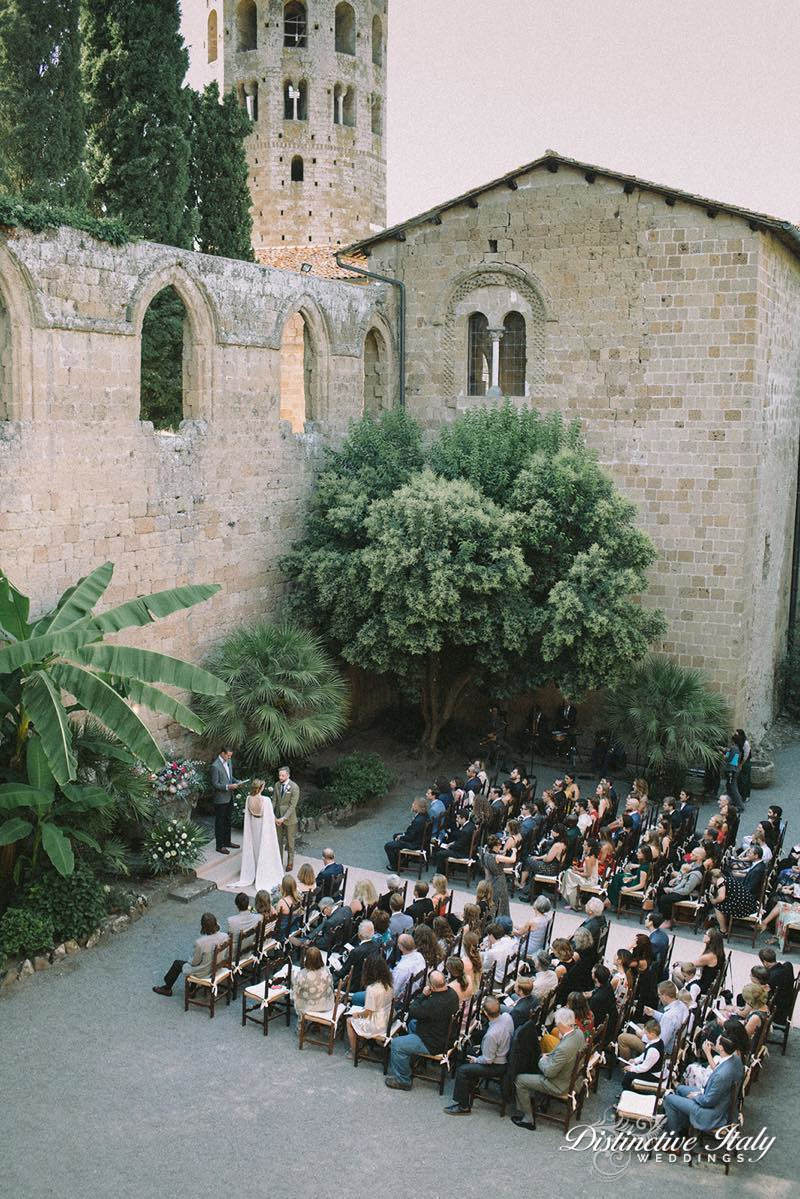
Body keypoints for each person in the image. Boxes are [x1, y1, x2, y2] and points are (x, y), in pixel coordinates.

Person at [511, 1006, 586, 1128]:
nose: (556, 1025)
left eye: (557, 1023)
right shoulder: (578, 1033)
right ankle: (532, 1098)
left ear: (562, 1024)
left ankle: (528, 1119)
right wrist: (550, 1056)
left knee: (520, 1080)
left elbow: (549, 1073)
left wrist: (541, 1059)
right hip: (573, 1077)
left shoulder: (564, 1048)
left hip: (559, 1085)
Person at [386, 970, 460, 1090]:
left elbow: (413, 1010)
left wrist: (423, 995)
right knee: (412, 1024)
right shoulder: (452, 994)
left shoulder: (433, 1003)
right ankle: (413, 1058)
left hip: (433, 1042)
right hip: (446, 1033)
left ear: (431, 986)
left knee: (396, 1044)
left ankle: (403, 1080)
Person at [662, 1031, 745, 1136]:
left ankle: (672, 1139)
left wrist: (696, 1096)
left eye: (717, 1042)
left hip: (711, 1113)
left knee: (669, 1099)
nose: (715, 1043)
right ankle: (682, 1127)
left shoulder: (722, 1075)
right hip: (721, 1102)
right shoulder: (736, 1059)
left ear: (721, 1048)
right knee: (680, 1089)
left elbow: (708, 1101)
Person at [444, 995, 514, 1113]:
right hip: (504, 1052)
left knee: (463, 1070)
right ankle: (471, 1086)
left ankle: (463, 1105)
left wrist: (475, 1060)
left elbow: (488, 1060)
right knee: (469, 1051)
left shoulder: (491, 1035)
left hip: (497, 1065)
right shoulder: (507, 1017)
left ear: (485, 1013)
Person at [152, 912, 230, 997]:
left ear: (203, 926)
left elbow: (194, 963)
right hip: (216, 967)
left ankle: (167, 988)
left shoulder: (200, 943)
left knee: (177, 964)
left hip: (205, 971)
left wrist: (190, 959)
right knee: (200, 963)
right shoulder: (225, 936)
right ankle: (192, 990)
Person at [232, 778, 283, 891]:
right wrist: (277, 821)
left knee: (255, 847)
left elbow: (248, 814)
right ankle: (263, 872)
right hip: (262, 824)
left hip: (253, 824)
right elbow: (269, 816)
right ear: (260, 788)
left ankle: (255, 871)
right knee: (263, 847)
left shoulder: (248, 798)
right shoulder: (265, 800)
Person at [617, 979, 688, 1059]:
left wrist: (642, 1036)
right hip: (671, 1044)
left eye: (659, 995)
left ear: (665, 996)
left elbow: (660, 1043)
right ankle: (639, 1058)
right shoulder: (682, 1005)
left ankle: (626, 1066)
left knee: (622, 1038)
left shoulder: (669, 1017)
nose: (659, 998)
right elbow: (670, 1021)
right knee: (639, 1026)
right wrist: (653, 1013)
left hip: (660, 1052)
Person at [346, 954, 394, 1054]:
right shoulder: (388, 983)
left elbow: (367, 1013)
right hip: (387, 1018)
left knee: (349, 1021)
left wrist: (357, 1014)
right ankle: (363, 1046)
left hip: (377, 1024)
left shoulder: (372, 989)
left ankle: (354, 1052)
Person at [332, 920, 381, 992]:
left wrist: (334, 970)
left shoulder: (356, 952)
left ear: (359, 934)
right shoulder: (377, 946)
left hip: (353, 985)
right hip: (367, 981)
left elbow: (343, 971)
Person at [210, 747, 243, 854]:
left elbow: (230, 777)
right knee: (220, 823)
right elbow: (215, 784)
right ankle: (220, 846)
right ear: (222, 753)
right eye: (228, 755)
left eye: (230, 756)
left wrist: (238, 782)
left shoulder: (229, 762)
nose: (229, 758)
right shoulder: (215, 766)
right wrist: (228, 787)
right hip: (220, 799)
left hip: (229, 797)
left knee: (228, 821)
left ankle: (227, 842)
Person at [384, 798, 428, 870]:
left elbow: (410, 837)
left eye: (414, 804)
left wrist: (401, 837)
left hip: (414, 844)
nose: (412, 805)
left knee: (388, 846)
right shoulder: (424, 815)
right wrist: (402, 835)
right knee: (395, 835)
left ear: (418, 807)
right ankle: (402, 861)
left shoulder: (418, 821)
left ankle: (395, 866)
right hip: (417, 839)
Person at [619, 1019, 664, 1086]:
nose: (645, 1035)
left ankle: (627, 1090)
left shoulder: (653, 1050)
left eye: (646, 1033)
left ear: (652, 1034)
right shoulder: (658, 1041)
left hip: (653, 1075)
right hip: (650, 1069)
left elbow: (645, 1068)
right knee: (632, 1069)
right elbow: (644, 1055)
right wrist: (635, 1060)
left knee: (629, 1075)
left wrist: (632, 1068)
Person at [292, 946, 335, 1016]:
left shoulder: (302, 974)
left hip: (309, 1007)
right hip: (326, 1004)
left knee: (297, 991)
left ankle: (301, 1022)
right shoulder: (326, 970)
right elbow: (331, 985)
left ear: (307, 959)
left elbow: (296, 989)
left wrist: (292, 977)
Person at [272, 766, 300, 871]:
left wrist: (283, 818)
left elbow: (292, 806)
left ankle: (290, 863)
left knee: (290, 841)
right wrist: (273, 815)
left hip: (289, 819)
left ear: (288, 775)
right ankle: (278, 861)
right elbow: (274, 800)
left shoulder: (294, 787)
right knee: (278, 841)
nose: (280, 777)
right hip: (277, 818)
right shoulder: (276, 785)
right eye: (279, 775)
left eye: (282, 775)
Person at [478, 837, 511, 918]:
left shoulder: (486, 854)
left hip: (489, 880)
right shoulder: (496, 857)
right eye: (499, 845)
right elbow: (513, 860)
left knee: (490, 900)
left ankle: (488, 918)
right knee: (501, 902)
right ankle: (500, 920)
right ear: (495, 846)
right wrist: (514, 851)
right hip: (499, 881)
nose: (501, 846)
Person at [391, 934, 426, 998]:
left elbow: (394, 991)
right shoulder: (419, 955)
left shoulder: (402, 968)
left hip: (403, 997)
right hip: (415, 990)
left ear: (400, 947)